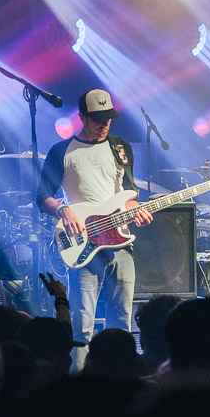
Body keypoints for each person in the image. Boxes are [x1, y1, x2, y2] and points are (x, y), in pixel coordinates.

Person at [36, 89, 152, 369]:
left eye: (108, 118)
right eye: (97, 119)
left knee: (122, 320)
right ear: (83, 117)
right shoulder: (62, 151)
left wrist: (137, 210)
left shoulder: (120, 147)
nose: (104, 124)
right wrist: (63, 210)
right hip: (84, 245)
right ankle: (79, 382)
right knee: (83, 325)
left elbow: (128, 192)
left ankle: (121, 377)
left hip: (121, 243)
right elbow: (42, 197)